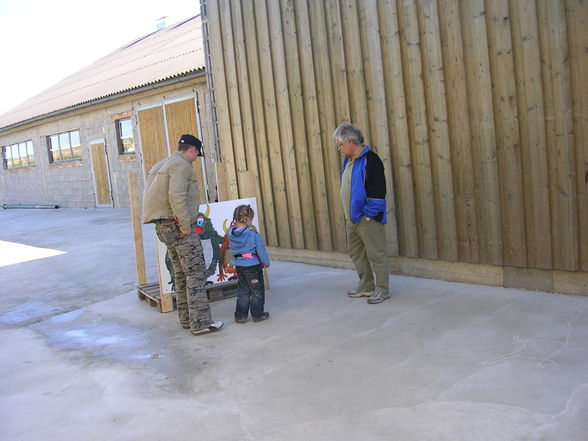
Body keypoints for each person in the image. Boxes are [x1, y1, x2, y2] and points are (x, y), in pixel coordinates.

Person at [142, 134, 223, 335]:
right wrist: (185, 224)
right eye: (196, 154)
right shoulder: (181, 166)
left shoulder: (162, 164)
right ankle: (201, 323)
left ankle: (186, 319)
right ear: (192, 150)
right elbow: (176, 195)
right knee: (195, 273)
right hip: (178, 226)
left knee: (180, 273)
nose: (196, 159)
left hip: (164, 227)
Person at [334, 123, 390, 304]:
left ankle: (382, 289)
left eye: (340, 144)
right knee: (356, 253)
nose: (339, 148)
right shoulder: (348, 161)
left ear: (350, 141)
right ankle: (366, 285)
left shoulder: (371, 160)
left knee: (377, 255)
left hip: (368, 219)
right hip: (352, 219)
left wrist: (366, 215)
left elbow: (378, 193)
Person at [228, 204, 270, 323]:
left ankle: (240, 316)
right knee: (256, 291)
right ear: (250, 219)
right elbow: (260, 249)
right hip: (253, 267)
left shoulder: (231, 233)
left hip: (240, 266)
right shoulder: (253, 234)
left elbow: (232, 249)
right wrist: (266, 262)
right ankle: (257, 315)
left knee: (243, 291)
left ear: (235, 219)